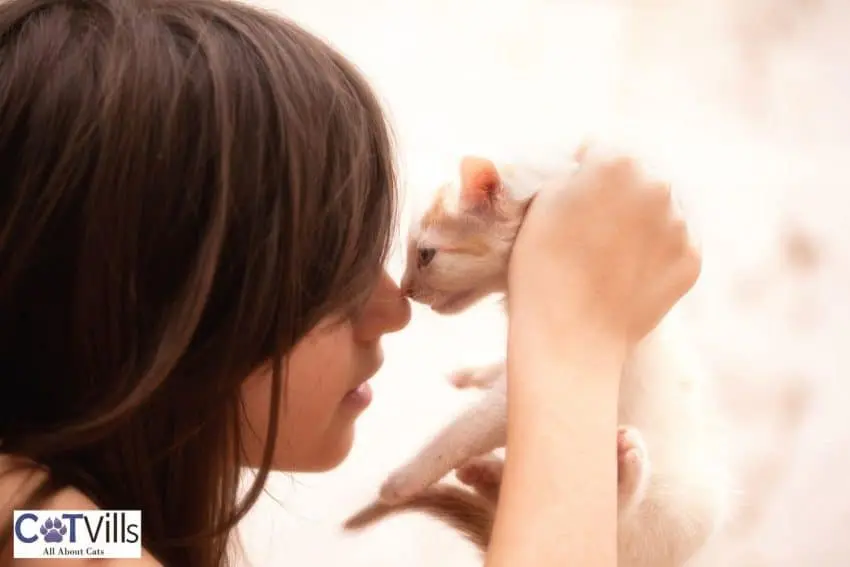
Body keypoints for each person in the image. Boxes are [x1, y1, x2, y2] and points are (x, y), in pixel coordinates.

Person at [0, 0, 701, 566]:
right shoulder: (34, 516)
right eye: (331, 263)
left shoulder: (82, 530)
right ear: (151, 290)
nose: (393, 308)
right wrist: (572, 344)